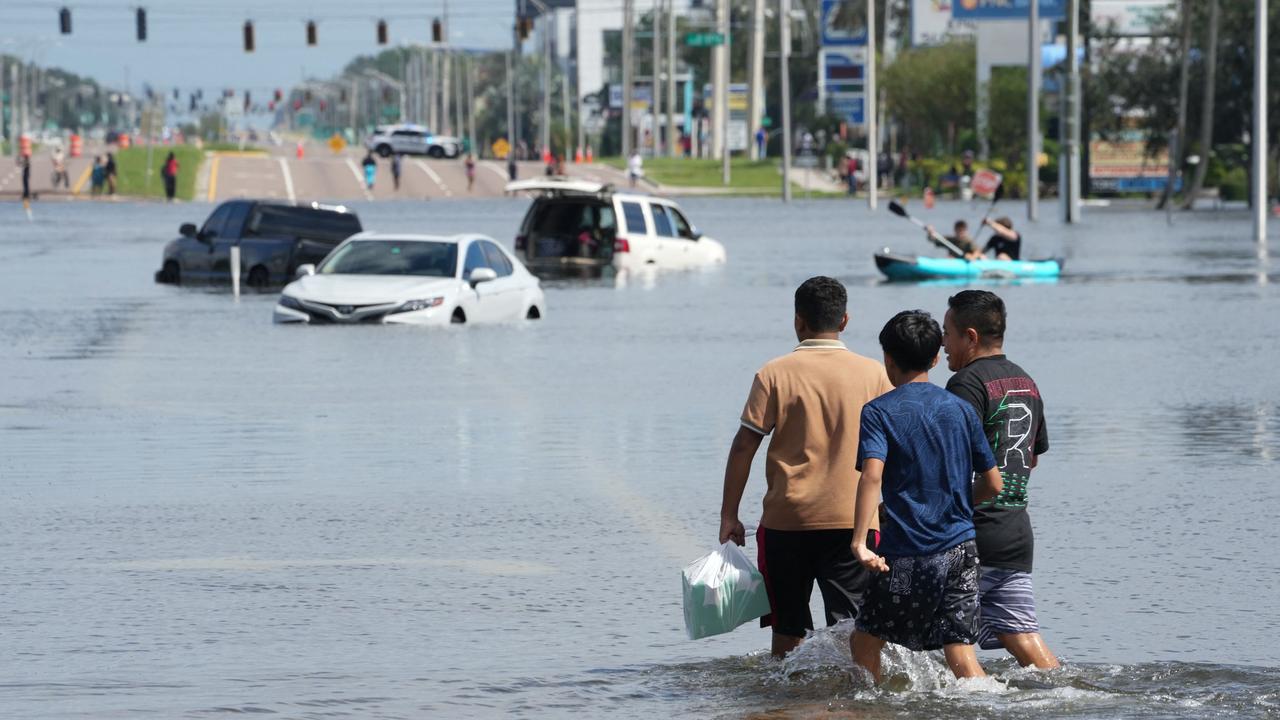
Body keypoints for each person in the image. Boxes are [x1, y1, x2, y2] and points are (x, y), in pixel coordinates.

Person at [720, 276, 894, 659]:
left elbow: (744, 445)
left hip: (787, 522)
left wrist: (730, 515)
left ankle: (786, 705)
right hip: (855, 524)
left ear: (798, 321)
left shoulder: (774, 373)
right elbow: (896, 451)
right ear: (845, 320)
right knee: (854, 630)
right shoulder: (875, 375)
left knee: (787, 631)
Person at [849, 310, 1003, 684]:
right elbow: (993, 484)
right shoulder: (962, 409)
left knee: (865, 640)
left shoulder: (878, 412)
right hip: (961, 551)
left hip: (906, 556)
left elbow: (872, 474)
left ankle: (872, 711)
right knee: (960, 651)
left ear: (887, 358)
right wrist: (955, 506)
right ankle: (990, 704)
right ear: (936, 358)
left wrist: (859, 542)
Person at [942, 291, 1060, 670]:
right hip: (1014, 533)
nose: (943, 343)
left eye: (948, 332)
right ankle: (1071, 695)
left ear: (970, 336)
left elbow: (949, 463)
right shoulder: (1026, 381)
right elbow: (1033, 458)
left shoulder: (965, 384)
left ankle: (980, 705)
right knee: (1021, 635)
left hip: (973, 534)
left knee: (952, 636)